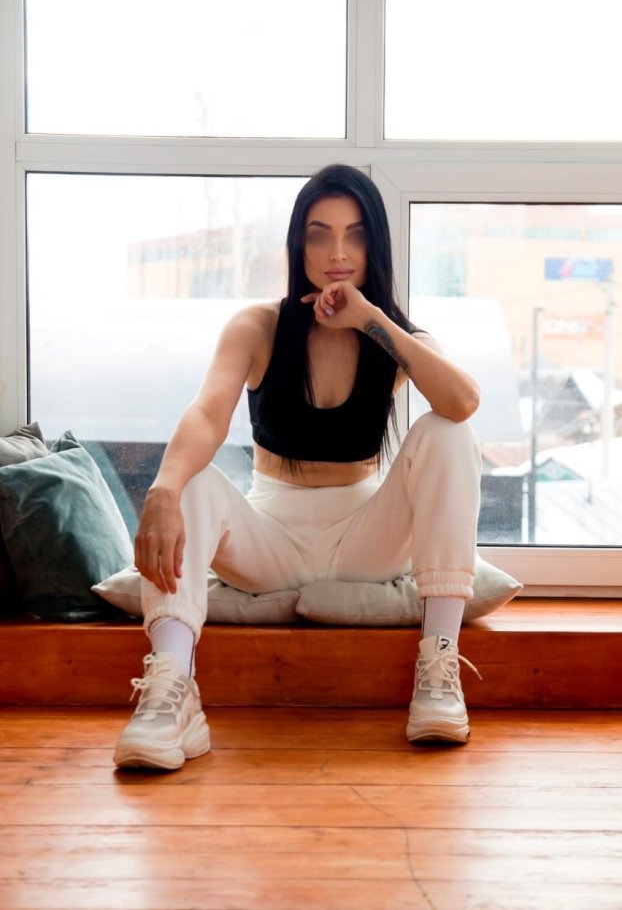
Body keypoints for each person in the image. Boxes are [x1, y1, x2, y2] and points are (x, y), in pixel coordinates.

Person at [113, 164, 482, 771]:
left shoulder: (390, 335)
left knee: (447, 431)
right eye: (319, 234)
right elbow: (207, 413)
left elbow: (463, 402)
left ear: (375, 245)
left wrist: (369, 319)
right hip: (271, 544)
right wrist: (162, 489)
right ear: (297, 244)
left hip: (365, 540)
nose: (337, 253)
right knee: (190, 479)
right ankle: (171, 695)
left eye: (355, 234)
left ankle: (439, 672)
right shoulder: (258, 326)